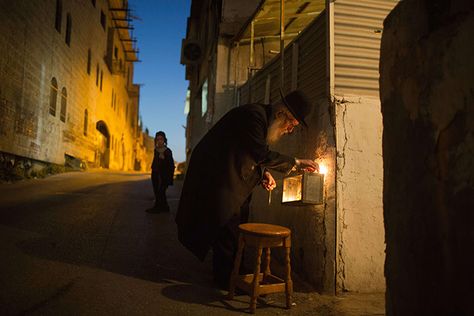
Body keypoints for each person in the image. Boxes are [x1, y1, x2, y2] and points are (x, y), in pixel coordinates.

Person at [175, 90, 318, 289]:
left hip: (228, 175)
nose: (290, 130)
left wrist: (263, 174)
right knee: (227, 225)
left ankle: (236, 272)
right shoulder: (253, 116)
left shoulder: (260, 120)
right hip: (216, 176)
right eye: (292, 124)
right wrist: (295, 162)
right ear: (281, 114)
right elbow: (259, 152)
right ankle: (227, 280)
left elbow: (247, 151)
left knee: (237, 224)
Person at [146, 131, 175, 213]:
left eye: (161, 139)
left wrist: (169, 178)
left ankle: (159, 208)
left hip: (164, 177)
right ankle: (164, 208)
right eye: (158, 139)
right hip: (155, 174)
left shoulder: (167, 151)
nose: (159, 141)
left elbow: (171, 165)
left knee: (161, 192)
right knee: (157, 192)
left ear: (164, 140)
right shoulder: (156, 150)